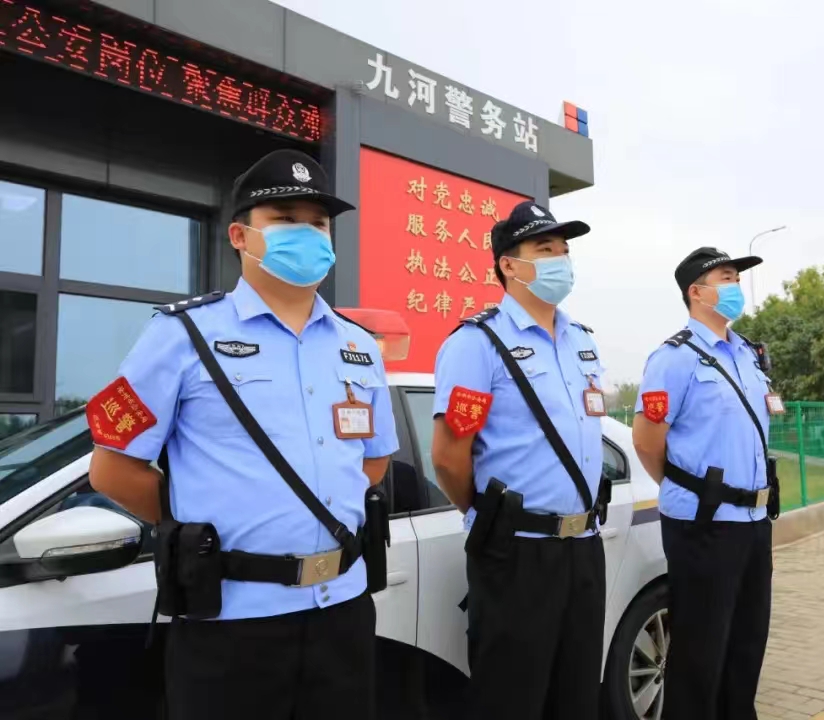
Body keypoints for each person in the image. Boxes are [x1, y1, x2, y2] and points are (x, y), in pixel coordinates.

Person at [86, 148, 397, 720]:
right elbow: (111, 469)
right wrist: (198, 529)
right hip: (231, 622)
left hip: (344, 613)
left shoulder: (359, 346)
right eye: (284, 219)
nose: (306, 234)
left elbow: (371, 463)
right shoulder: (181, 335)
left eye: (318, 223)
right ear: (240, 235)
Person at [430, 200, 608, 720]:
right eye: (545, 249)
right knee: (511, 698)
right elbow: (449, 456)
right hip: (518, 552)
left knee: (577, 696)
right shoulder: (478, 344)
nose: (561, 260)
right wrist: (490, 515)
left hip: (584, 545)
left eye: (564, 250)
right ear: (509, 264)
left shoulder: (582, 342)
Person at [631, 247, 781, 720]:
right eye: (726, 278)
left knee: (747, 642)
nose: (736, 287)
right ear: (696, 292)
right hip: (704, 523)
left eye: (737, 278)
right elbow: (647, 442)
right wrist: (689, 490)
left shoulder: (748, 355)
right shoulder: (673, 359)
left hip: (754, 520)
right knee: (701, 651)